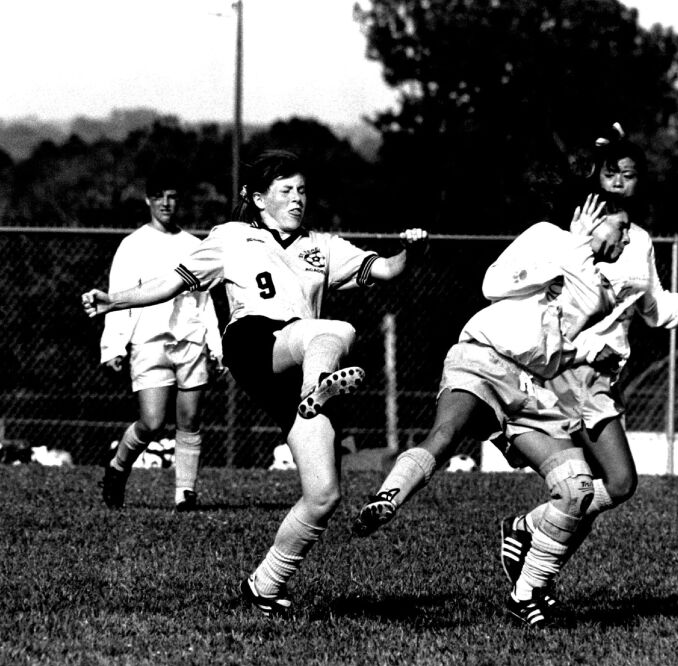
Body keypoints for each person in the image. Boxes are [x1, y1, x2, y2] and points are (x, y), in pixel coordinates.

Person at [82, 149, 427, 618]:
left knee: (324, 495)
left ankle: (264, 586)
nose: (297, 198)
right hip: (253, 343)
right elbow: (171, 283)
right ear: (259, 198)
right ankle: (316, 390)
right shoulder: (231, 237)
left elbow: (386, 270)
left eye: (302, 190)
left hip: (301, 362)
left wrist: (412, 250)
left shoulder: (323, 246)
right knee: (335, 331)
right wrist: (112, 301)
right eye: (286, 190)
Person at [352, 192, 633, 626]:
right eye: (622, 226)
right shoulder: (546, 236)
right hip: (484, 354)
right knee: (447, 432)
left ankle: (525, 594)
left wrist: (587, 348)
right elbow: (493, 285)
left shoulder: (597, 286)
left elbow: (560, 339)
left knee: (577, 489)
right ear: (593, 218)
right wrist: (569, 249)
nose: (628, 237)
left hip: (528, 387)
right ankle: (389, 497)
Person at [498, 123, 678, 610]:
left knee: (584, 495)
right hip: (571, 367)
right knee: (619, 482)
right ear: (595, 174)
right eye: (611, 172)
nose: (620, 181)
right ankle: (529, 566)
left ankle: (530, 556)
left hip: (608, 375)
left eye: (630, 174)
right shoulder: (574, 231)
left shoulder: (640, 240)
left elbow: (654, 310)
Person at [98, 161, 223, 512]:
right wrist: (114, 345)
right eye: (159, 197)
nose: (166, 204)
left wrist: (215, 346)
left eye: (172, 197)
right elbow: (118, 296)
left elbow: (204, 300)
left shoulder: (194, 245)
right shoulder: (132, 245)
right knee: (151, 422)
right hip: (149, 342)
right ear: (147, 200)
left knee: (190, 419)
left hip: (190, 340)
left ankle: (185, 493)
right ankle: (118, 466)